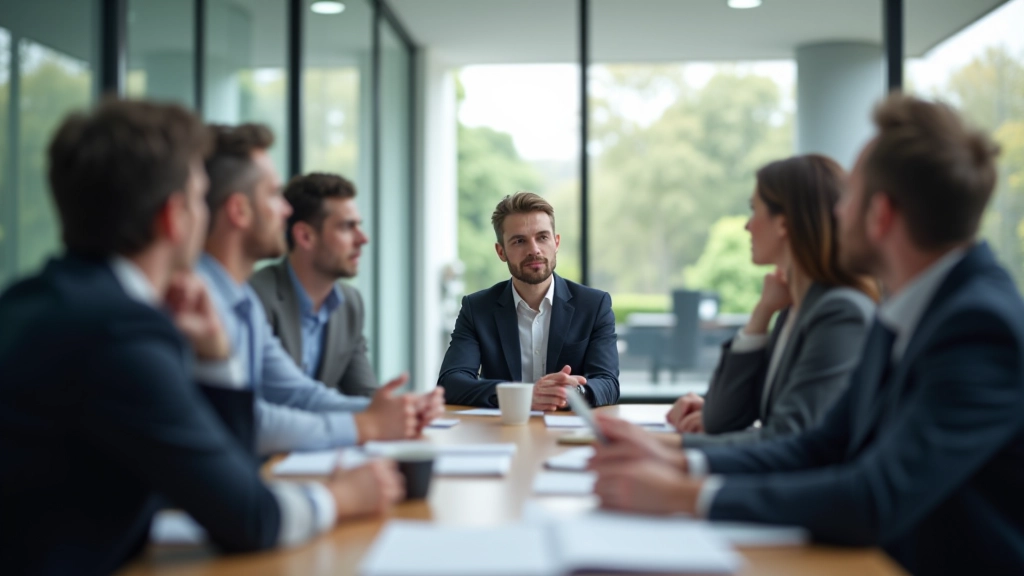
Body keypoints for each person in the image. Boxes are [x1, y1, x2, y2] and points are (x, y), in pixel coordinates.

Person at [588, 94, 1024, 575]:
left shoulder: (980, 327)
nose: (836, 214)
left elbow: (874, 496)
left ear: (880, 215)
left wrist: (683, 494)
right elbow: (817, 446)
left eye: (849, 198)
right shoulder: (907, 311)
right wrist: (680, 463)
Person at [0, 100, 403, 575]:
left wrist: (215, 358)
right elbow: (248, 518)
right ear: (174, 217)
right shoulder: (120, 333)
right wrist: (340, 496)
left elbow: (229, 481)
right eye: (198, 196)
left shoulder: (35, 298)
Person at [198, 123, 442, 455]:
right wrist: (366, 424)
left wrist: (399, 410)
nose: (284, 209)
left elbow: (298, 393)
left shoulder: (239, 299)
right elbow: (248, 420)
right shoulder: (211, 299)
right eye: (273, 194)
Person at [666, 155, 877, 447]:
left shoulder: (840, 312)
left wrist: (671, 449)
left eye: (755, 210)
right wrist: (761, 315)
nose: (747, 226)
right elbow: (721, 419)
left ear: (783, 224)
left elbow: (790, 438)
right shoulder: (792, 310)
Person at [438, 192, 619, 409]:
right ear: (501, 251)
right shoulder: (477, 309)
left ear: (556, 242)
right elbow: (451, 382)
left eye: (542, 237)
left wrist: (570, 392)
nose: (534, 250)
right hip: (502, 431)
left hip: (568, 433)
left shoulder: (594, 305)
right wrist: (524, 395)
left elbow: (608, 383)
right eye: (519, 241)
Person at [250, 173, 376, 397]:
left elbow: (363, 394)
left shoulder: (350, 304)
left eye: (359, 225)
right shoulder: (256, 297)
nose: (362, 239)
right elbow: (270, 403)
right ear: (305, 236)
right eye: (347, 227)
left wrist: (403, 409)